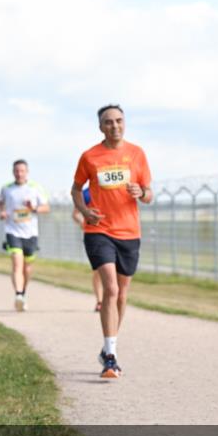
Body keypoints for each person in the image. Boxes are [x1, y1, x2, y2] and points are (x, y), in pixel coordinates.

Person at [71, 104, 153, 378]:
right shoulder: (90, 156)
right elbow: (76, 188)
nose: (114, 126)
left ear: (124, 123)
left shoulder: (136, 154)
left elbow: (149, 193)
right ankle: (110, 356)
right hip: (98, 230)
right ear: (100, 126)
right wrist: (84, 211)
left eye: (118, 120)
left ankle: (111, 342)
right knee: (111, 289)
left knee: (122, 294)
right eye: (108, 122)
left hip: (129, 233)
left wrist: (141, 191)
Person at [0, 159, 50, 311]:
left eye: (22, 171)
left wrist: (34, 209)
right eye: (16, 171)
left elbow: (46, 207)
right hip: (12, 231)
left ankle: (23, 292)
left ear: (27, 172)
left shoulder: (35, 188)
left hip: (30, 233)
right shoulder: (6, 188)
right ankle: (18, 295)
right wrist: (1, 212)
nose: (19, 174)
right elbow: (0, 203)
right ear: (13, 172)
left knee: (27, 269)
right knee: (16, 263)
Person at [71, 185, 104, 312]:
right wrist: (83, 222)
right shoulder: (86, 193)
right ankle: (100, 301)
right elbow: (75, 214)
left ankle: (111, 298)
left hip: (116, 234)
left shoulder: (114, 186)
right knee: (99, 270)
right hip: (95, 235)